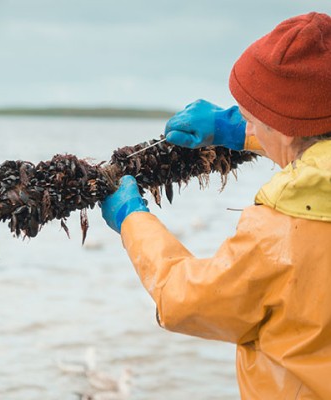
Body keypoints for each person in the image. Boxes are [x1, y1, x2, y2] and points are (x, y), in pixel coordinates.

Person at [101, 12, 331, 399]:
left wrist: (133, 221)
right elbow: (308, 142)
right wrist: (234, 130)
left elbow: (189, 301)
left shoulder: (283, 234)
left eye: (253, 119)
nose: (248, 127)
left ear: (285, 126)